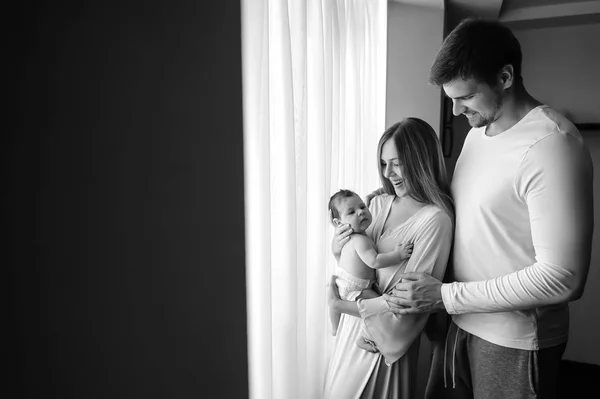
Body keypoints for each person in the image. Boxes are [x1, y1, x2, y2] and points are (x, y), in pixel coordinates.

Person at [379, 18, 594, 399]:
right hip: (459, 325)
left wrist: (446, 296)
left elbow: (564, 277)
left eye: (466, 97)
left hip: (514, 342)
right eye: (452, 99)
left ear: (506, 77)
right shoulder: (478, 134)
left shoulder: (552, 145)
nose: (458, 110)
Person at [323, 117, 454, 399]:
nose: (389, 172)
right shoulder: (378, 203)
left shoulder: (435, 220)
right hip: (351, 326)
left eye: (397, 162)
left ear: (420, 160)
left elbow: (413, 299)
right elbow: (357, 266)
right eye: (384, 163)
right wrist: (338, 250)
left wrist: (341, 305)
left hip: (380, 342)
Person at [327, 189, 413, 350]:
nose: (360, 212)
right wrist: (398, 255)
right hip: (356, 288)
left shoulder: (353, 238)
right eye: (351, 212)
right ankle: (364, 338)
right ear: (339, 223)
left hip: (344, 283)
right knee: (382, 309)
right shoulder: (360, 240)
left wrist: (375, 194)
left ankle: (334, 328)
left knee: (374, 309)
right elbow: (374, 261)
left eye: (362, 207)